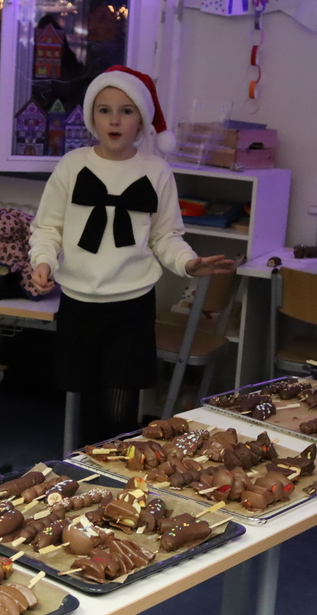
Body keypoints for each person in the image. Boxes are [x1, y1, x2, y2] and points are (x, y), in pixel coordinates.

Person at [29, 65, 234, 445]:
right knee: (86, 405)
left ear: (141, 119)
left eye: (126, 110)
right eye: (104, 110)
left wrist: (188, 263)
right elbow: (47, 228)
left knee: (119, 411)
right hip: (79, 302)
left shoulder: (156, 171)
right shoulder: (72, 165)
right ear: (92, 116)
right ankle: (90, 475)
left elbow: (165, 236)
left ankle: (119, 473)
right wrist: (43, 262)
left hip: (131, 305)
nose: (114, 120)